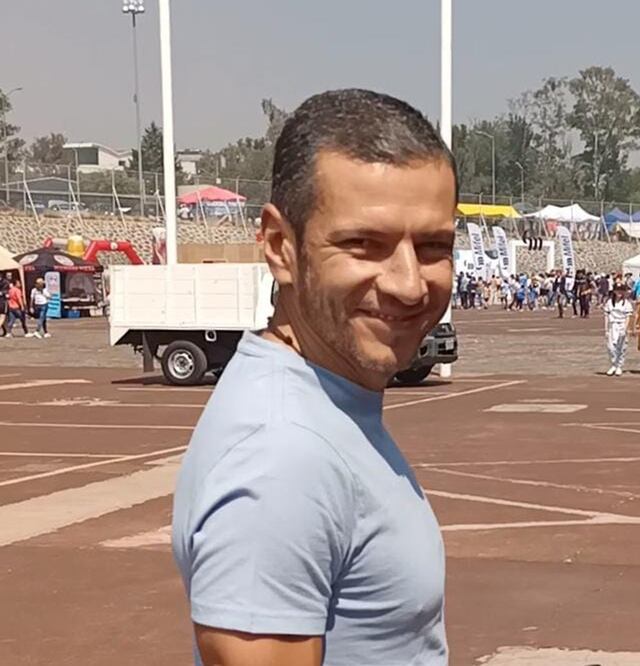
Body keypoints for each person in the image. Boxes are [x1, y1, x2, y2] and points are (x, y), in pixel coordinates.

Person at [171, 89, 455, 665]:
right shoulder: (283, 457)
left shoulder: (324, 405)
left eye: (432, 247)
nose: (408, 283)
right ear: (281, 247)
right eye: (363, 245)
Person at [603, 283, 634, 376]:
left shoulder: (626, 303)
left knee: (621, 346)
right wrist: (606, 329)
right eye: (617, 290)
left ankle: (619, 366)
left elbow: (628, 317)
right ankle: (613, 364)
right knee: (611, 347)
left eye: (621, 290)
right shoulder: (609, 302)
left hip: (621, 325)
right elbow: (606, 316)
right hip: (612, 325)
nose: (619, 292)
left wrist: (625, 328)